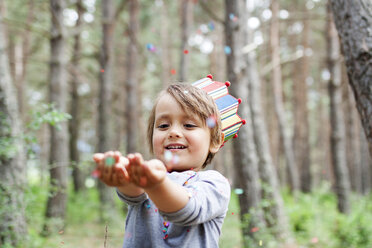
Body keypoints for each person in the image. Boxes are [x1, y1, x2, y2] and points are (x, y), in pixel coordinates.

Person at [93, 79, 241, 247]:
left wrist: (155, 184)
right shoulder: (148, 175)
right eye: (163, 126)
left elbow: (186, 209)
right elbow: (134, 194)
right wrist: (124, 176)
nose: (174, 132)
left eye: (189, 125)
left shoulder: (213, 184)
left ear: (215, 141)